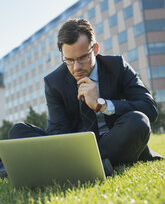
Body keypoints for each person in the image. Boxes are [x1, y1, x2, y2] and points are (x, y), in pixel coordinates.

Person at [2, 19, 163, 178]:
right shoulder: (53, 82)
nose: (76, 67)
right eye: (69, 60)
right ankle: (94, 165)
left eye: (82, 58)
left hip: (115, 139)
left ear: (95, 49)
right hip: (75, 147)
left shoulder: (118, 66)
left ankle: (72, 167)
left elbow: (149, 108)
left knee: (138, 121)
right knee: (18, 131)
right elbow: (59, 131)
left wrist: (102, 104)